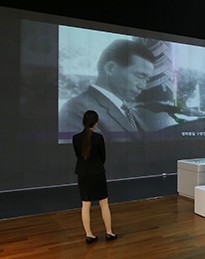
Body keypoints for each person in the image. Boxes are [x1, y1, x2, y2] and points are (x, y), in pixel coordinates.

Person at [60, 39, 157, 140]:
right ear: (110, 68)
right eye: (140, 76)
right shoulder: (78, 110)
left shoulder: (128, 110)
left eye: (147, 79)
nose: (143, 86)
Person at [72, 110, 117, 243]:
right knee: (104, 203)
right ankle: (109, 232)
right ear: (95, 122)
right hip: (97, 173)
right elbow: (103, 157)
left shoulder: (75, 138)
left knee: (85, 204)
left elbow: (78, 156)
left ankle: (89, 234)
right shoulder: (98, 138)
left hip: (83, 174)